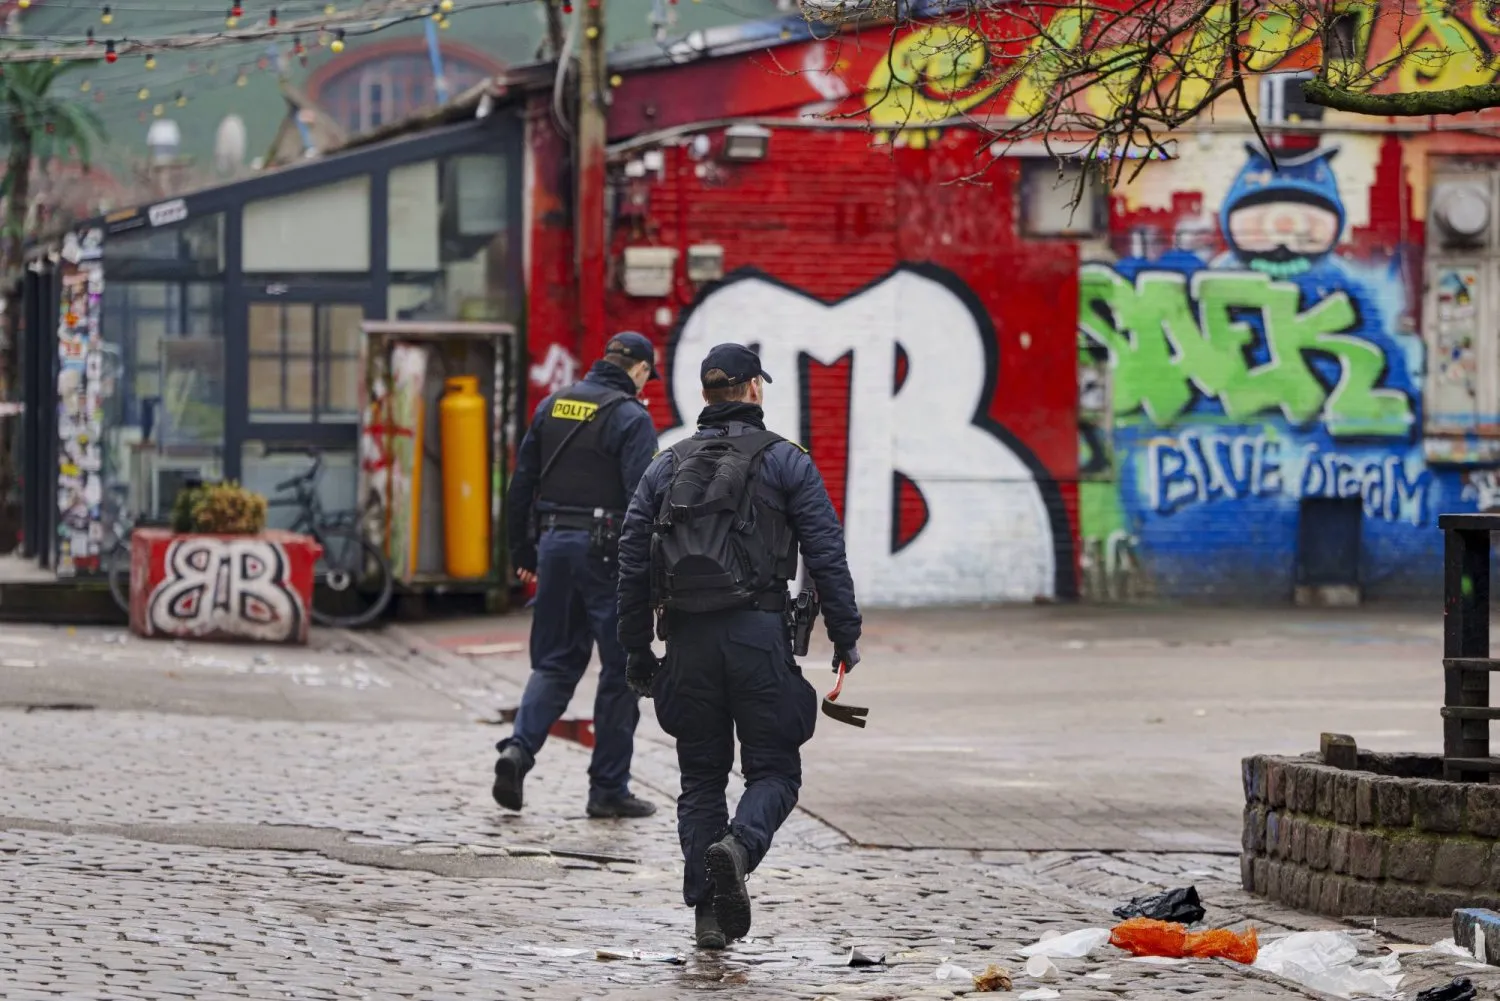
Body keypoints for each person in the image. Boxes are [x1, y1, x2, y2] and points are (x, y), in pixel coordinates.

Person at [615, 342, 862, 950]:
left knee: (700, 780)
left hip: (687, 641)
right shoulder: (787, 461)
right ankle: (739, 847)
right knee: (775, 768)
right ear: (754, 389)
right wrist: (846, 635)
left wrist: (637, 650)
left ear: (705, 395)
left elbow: (630, 562)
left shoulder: (664, 464)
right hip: (758, 636)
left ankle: (708, 917)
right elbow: (825, 552)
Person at [494, 331, 661, 820]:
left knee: (555, 662)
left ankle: (518, 751)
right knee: (622, 669)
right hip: (606, 554)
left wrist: (523, 550)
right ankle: (608, 789)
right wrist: (646, 574)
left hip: (553, 546)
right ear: (639, 370)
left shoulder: (553, 404)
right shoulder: (631, 418)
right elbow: (640, 502)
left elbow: (520, 482)